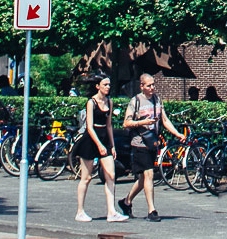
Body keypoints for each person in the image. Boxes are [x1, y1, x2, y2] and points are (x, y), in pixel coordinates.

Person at [119, 73, 186, 221]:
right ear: (141, 86)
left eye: (153, 84)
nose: (152, 88)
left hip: (152, 143)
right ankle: (152, 211)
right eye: (149, 85)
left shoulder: (157, 100)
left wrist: (177, 134)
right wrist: (143, 122)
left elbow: (165, 120)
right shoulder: (135, 101)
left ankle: (126, 201)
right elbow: (126, 123)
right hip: (139, 142)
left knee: (143, 179)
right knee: (149, 174)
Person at [73, 75, 122, 224]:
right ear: (97, 86)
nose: (108, 87)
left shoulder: (109, 102)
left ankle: (111, 212)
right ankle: (80, 211)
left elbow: (109, 125)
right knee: (86, 178)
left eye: (109, 84)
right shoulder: (91, 102)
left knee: (111, 175)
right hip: (91, 140)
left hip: (104, 139)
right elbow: (89, 126)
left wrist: (112, 145)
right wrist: (99, 145)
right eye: (105, 84)